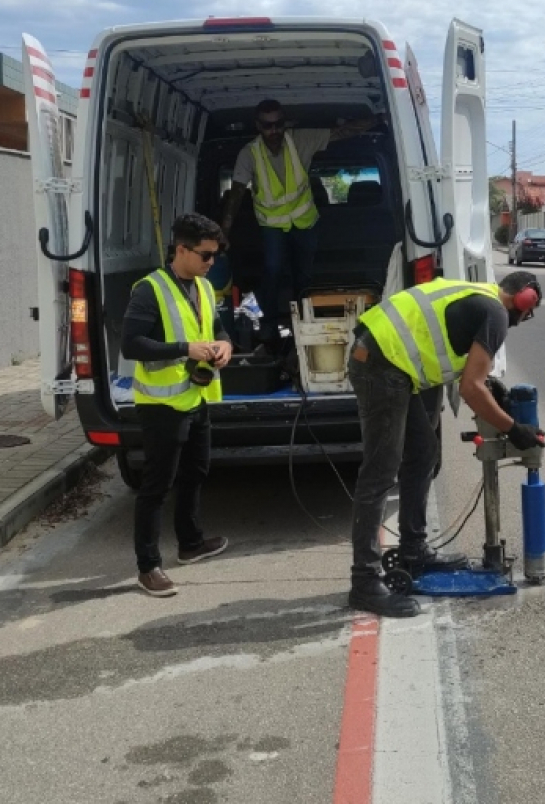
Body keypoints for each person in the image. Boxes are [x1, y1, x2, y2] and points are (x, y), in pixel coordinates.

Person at [346, 271, 545, 617]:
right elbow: (472, 388)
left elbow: (447, 356)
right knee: (379, 473)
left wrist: (490, 393)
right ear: (525, 300)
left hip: (388, 360)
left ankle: (413, 549)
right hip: (381, 365)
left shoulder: (479, 294)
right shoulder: (497, 313)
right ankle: (364, 582)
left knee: (423, 453)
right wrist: (513, 428)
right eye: (528, 314)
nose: (522, 321)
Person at [121, 213, 234, 597]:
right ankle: (148, 566)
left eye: (215, 255)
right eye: (205, 255)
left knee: (195, 472)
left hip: (197, 396)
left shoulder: (202, 286)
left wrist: (224, 345)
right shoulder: (149, 290)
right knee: (156, 485)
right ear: (181, 249)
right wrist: (185, 349)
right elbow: (132, 344)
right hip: (161, 405)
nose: (211, 262)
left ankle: (190, 543)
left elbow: (216, 327)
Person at [220, 99, 383, 343]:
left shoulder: (300, 140)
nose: (274, 131)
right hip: (272, 225)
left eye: (279, 124)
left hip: (305, 222)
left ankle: (302, 323)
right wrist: (223, 232)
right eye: (267, 126)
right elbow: (237, 192)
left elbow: (341, 132)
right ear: (257, 126)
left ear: (285, 123)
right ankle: (269, 325)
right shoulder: (249, 154)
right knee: (273, 270)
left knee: (304, 276)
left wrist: (378, 119)